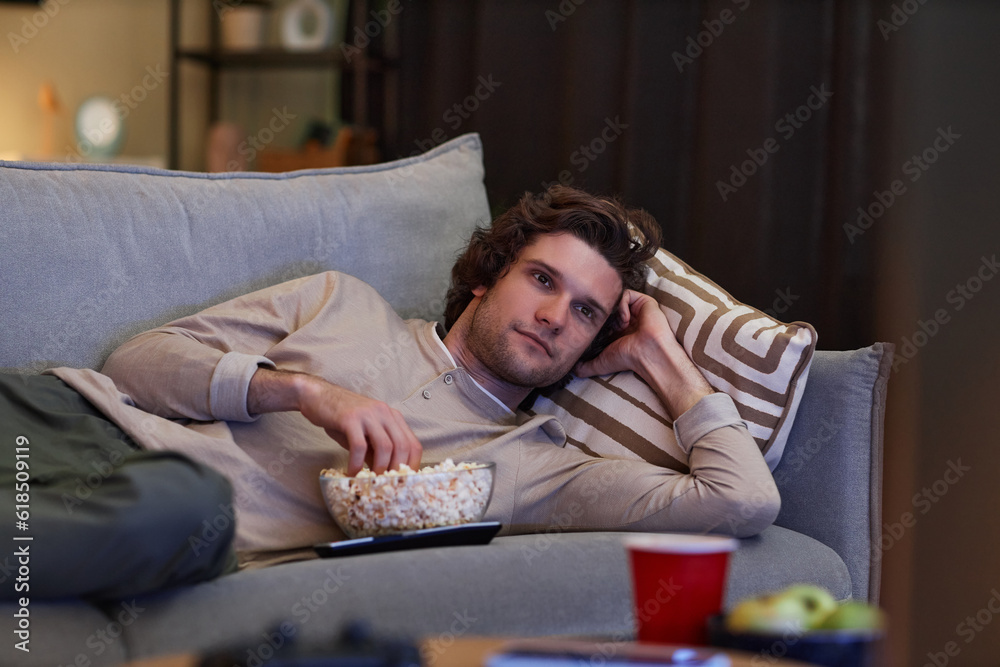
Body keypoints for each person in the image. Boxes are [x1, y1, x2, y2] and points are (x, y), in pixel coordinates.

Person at [0, 185, 779, 601]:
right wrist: (305, 393)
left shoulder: (537, 465)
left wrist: (665, 359)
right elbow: (138, 361)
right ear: (484, 278)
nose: (553, 316)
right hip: (66, 414)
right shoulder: (340, 301)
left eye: (585, 312)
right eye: (542, 280)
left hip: (172, 517)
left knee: (191, 505)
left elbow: (743, 500)